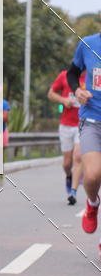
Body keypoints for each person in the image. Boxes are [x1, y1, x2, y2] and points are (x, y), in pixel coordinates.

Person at [67, 34, 101, 246]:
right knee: (92, 176)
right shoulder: (88, 43)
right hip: (92, 120)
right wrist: (77, 91)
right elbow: (72, 73)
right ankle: (92, 202)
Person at [47, 69, 84, 204]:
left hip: (83, 124)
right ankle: (69, 176)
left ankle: (73, 192)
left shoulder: (91, 77)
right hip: (66, 125)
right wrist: (63, 100)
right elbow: (50, 94)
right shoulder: (64, 75)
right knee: (67, 163)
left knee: (78, 157)